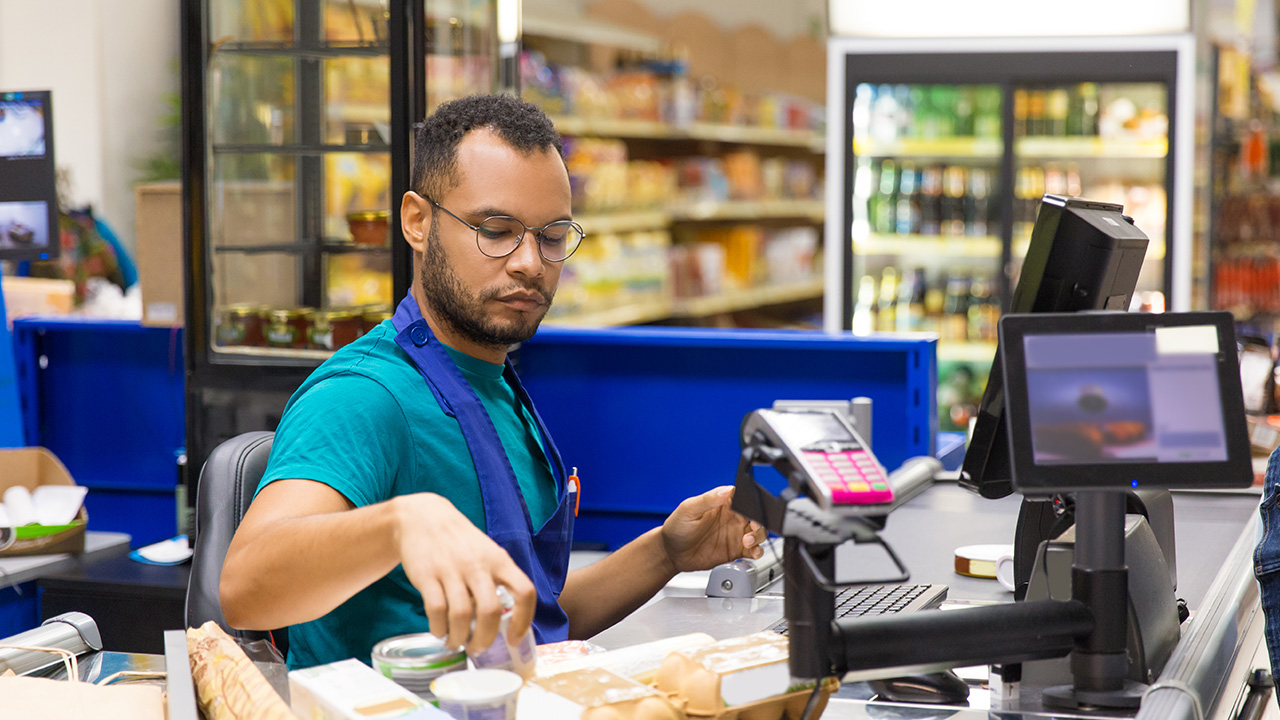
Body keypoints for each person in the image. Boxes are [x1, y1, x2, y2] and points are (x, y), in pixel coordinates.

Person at [219, 94, 767, 669]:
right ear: (418, 222)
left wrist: (665, 552)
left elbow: (535, 620)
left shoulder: (494, 384)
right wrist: (399, 524)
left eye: (551, 236)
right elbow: (245, 584)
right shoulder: (367, 398)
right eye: (496, 229)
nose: (530, 261)